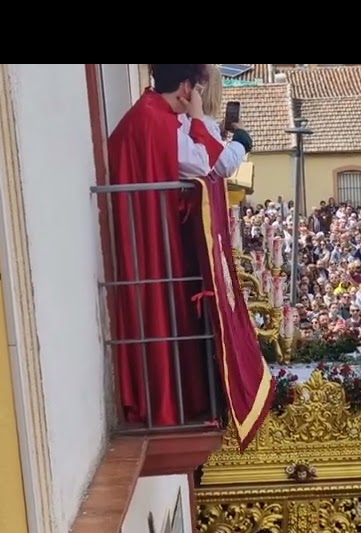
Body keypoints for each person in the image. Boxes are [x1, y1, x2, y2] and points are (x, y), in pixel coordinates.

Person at [106, 64, 268, 444]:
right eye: (195, 87)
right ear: (185, 87)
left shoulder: (153, 114)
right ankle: (167, 403)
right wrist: (199, 120)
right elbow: (206, 164)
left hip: (156, 235)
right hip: (154, 243)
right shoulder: (155, 121)